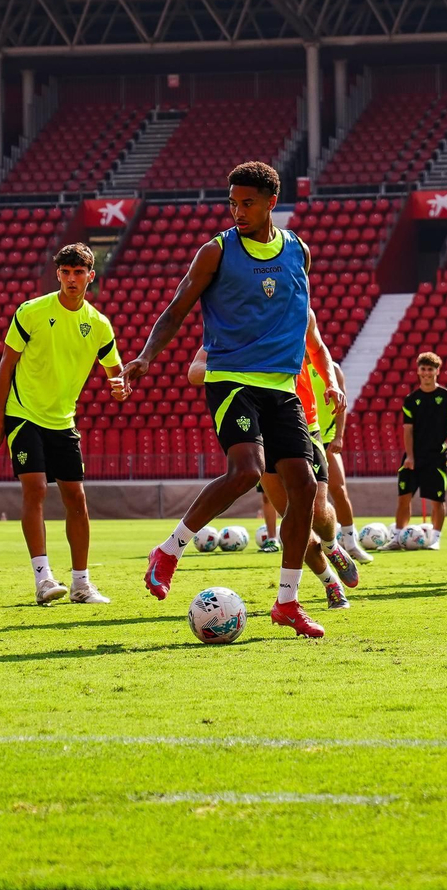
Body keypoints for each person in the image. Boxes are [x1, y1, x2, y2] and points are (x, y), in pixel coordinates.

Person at [121, 161, 331, 638]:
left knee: (303, 488)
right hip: (231, 378)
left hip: (281, 387)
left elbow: (299, 312)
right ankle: (169, 550)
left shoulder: (299, 250)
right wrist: (146, 357)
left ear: (271, 202)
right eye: (233, 202)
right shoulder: (215, 252)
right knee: (247, 471)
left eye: (248, 203)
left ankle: (288, 603)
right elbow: (177, 308)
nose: (238, 211)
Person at [0, 243, 128, 605]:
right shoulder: (31, 312)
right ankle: (44, 579)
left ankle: (81, 584)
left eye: (79, 272)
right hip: (24, 413)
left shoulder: (98, 324)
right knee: (35, 489)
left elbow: (116, 373)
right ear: (57, 274)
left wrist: (120, 387)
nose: (71, 279)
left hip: (63, 419)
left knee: (76, 498)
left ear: (90, 276)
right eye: (65, 272)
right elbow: (6, 365)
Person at [189, 329, 356, 610]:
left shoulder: (298, 310)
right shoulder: (234, 322)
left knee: (315, 507)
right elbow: (195, 371)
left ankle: (332, 545)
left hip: (302, 423)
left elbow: (319, 348)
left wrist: (331, 382)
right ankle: (331, 584)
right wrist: (232, 368)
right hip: (259, 433)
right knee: (293, 521)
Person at [396, 351, 447, 549]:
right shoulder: (411, 399)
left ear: (437, 371)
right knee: (404, 497)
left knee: (437, 499)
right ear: (418, 371)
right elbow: (407, 430)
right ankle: (398, 537)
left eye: (430, 369)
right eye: (423, 369)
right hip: (414, 456)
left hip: (436, 456)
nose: (426, 373)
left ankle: (435, 538)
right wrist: (410, 456)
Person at [312, 355, 373, 564]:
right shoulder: (292, 365)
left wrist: (338, 436)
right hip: (303, 436)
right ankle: (311, 545)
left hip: (326, 438)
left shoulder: (332, 369)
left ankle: (351, 543)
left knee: (339, 490)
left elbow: (342, 403)